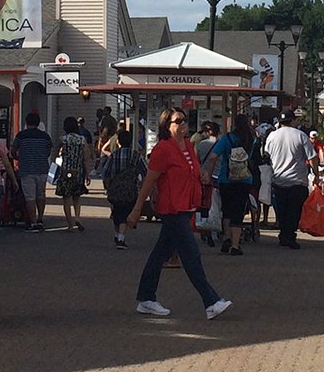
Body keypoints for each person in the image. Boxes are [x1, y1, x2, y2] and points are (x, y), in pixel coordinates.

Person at [125, 108, 231, 320]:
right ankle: (210, 301)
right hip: (172, 208)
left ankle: (146, 297)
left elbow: (192, 170)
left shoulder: (189, 147)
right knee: (191, 254)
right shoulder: (163, 149)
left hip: (186, 205)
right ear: (167, 126)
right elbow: (149, 181)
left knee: (160, 254)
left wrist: (201, 176)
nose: (183, 124)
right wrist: (137, 208)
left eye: (185, 120)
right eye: (178, 121)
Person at [263, 111, 318, 249]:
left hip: (278, 179)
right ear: (293, 120)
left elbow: (266, 155)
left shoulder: (272, 136)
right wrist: (316, 173)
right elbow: (312, 157)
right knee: (294, 210)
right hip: (297, 180)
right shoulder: (300, 135)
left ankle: (284, 233)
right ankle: (289, 235)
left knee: (281, 209)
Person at [208, 113, 260, 255]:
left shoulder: (227, 138)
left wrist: (209, 174)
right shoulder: (251, 139)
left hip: (226, 179)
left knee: (226, 210)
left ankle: (227, 238)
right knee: (238, 213)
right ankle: (235, 246)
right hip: (244, 180)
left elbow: (213, 157)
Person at [97, 124, 146, 249]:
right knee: (125, 213)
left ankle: (117, 234)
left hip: (115, 189)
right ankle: (121, 238)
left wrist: (107, 188)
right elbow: (144, 172)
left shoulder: (114, 155)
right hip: (130, 189)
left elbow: (105, 173)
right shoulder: (136, 156)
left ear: (118, 142)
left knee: (117, 212)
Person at [11, 111, 52, 231]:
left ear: (26, 123)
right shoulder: (45, 136)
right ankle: (40, 219)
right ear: (38, 123)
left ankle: (33, 222)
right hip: (42, 168)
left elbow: (13, 151)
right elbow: (48, 151)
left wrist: (19, 157)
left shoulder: (21, 136)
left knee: (30, 197)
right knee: (41, 195)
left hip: (27, 169)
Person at [54, 115, 90, 231]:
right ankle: (77, 217)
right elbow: (86, 157)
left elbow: (56, 154)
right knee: (77, 196)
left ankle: (70, 224)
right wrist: (87, 173)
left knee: (66, 197)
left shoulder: (62, 139)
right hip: (78, 171)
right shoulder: (82, 139)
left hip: (66, 170)